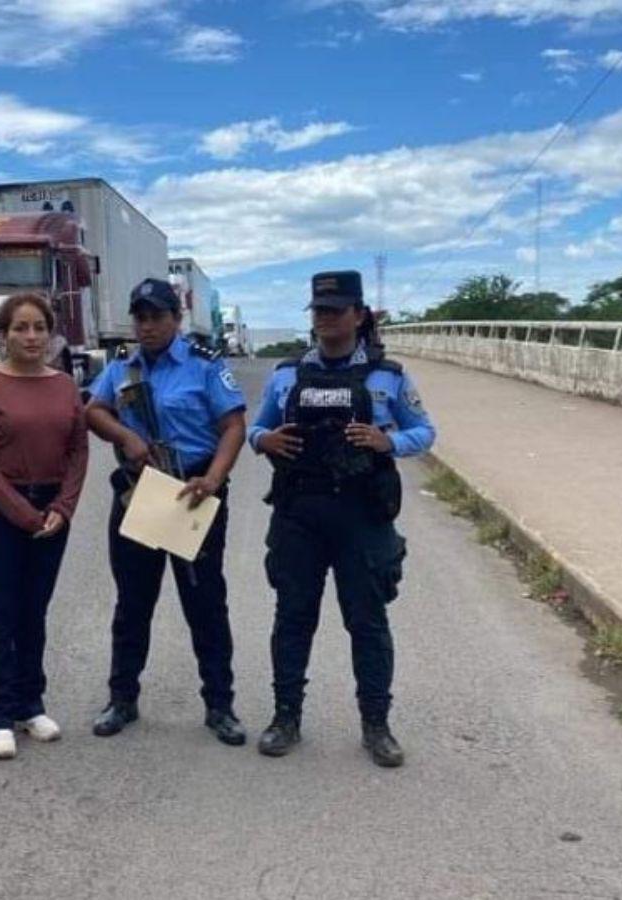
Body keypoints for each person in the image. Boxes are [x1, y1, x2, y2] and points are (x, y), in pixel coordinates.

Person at [248, 270, 435, 766]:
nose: (325, 318)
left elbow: (426, 431)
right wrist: (263, 441)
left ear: (358, 315)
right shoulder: (287, 374)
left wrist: (388, 441)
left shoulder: (387, 376)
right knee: (292, 619)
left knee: (368, 623)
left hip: (361, 515)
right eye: (319, 310)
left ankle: (377, 724)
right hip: (299, 513)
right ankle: (286, 716)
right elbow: (258, 426)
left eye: (335, 309)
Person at [85, 277, 248, 746]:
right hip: (142, 493)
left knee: (205, 604)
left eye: (158, 316)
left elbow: (233, 426)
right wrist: (124, 436)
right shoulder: (122, 369)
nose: (148, 325)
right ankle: (122, 699)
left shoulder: (203, 367)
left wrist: (213, 480)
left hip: (194, 492)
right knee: (133, 603)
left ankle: (220, 705)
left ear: (176, 320)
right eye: (141, 317)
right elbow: (93, 410)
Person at [0, 293, 89, 760]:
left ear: (51, 333)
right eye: (20, 328)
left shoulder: (64, 385)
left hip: (51, 511)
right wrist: (20, 511)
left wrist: (64, 507)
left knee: (35, 612)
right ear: (4, 334)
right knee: (3, 613)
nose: (31, 337)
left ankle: (29, 703)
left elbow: (78, 451)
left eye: (39, 327)